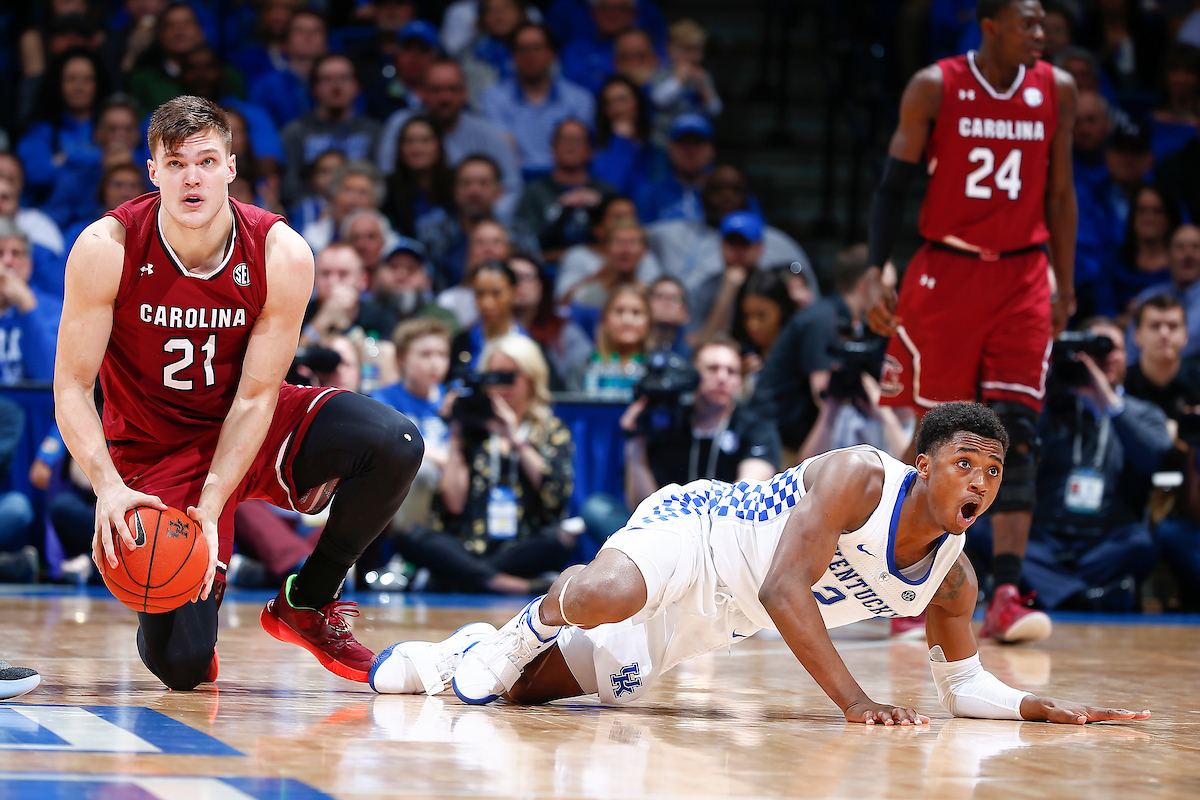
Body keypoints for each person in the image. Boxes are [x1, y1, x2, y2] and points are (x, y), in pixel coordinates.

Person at [378, 404, 1147, 731]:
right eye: (965, 464)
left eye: (994, 472)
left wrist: (1032, 708)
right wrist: (855, 701)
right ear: (924, 465)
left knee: (522, 699)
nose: (981, 483)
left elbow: (965, 685)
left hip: (721, 617)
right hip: (701, 531)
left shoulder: (954, 575)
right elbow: (786, 587)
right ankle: (522, 629)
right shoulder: (861, 478)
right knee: (607, 593)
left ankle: (442, 656)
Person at [54, 96, 425, 689]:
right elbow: (72, 386)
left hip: (252, 423)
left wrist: (214, 500)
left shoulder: (281, 253)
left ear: (231, 166)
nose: (192, 177)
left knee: (397, 442)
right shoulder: (108, 249)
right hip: (155, 448)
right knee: (180, 666)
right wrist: (107, 487)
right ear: (153, 173)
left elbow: (257, 396)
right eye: (175, 164)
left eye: (206, 160)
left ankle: (307, 600)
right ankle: (194, 631)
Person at [865, 0, 1078, 645]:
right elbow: (893, 185)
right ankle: (898, 575)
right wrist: (878, 267)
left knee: (1019, 430)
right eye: (1028, 24)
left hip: (1020, 274)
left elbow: (1061, 193)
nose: (1041, 35)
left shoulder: (1057, 90)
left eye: (1043, 24)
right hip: (947, 269)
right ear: (990, 27)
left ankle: (1008, 592)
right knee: (939, 432)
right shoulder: (936, 85)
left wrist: (1064, 282)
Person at [395, 333, 575, 594]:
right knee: (410, 535)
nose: (500, 386)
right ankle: (501, 583)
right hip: (467, 542)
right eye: (492, 377)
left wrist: (515, 438)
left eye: (508, 376)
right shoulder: (472, 427)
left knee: (560, 540)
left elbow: (555, 495)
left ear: (531, 378)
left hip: (521, 544)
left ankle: (466, 576)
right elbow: (454, 504)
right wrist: (455, 435)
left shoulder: (550, 430)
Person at [1009, 317, 1169, 610]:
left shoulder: (1144, 413)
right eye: (1096, 350)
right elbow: (1017, 446)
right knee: (990, 533)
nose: (1105, 358)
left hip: (1105, 540)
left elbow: (1151, 457)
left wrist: (1108, 400)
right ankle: (1084, 597)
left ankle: (1054, 591)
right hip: (1045, 537)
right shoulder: (1054, 408)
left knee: (1142, 543)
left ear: (1127, 356)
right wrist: (1056, 384)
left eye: (1113, 348)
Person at [623, 332, 778, 510]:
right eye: (712, 368)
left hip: (728, 527)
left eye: (732, 371)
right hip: (669, 528)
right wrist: (634, 440)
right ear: (691, 376)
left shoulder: (756, 426)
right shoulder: (670, 424)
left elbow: (746, 495)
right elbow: (642, 507)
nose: (722, 378)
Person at [753, 244, 877, 468]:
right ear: (865, 286)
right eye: (888, 284)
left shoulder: (839, 317)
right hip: (775, 445)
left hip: (792, 439)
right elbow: (823, 392)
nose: (894, 293)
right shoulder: (823, 320)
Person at [646, 164, 812, 311]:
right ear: (722, 245)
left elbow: (806, 289)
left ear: (759, 246)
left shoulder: (779, 243)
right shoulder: (706, 285)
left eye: (735, 189)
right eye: (717, 189)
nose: (726, 196)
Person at [378, 60, 523, 209]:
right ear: (422, 93)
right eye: (436, 90)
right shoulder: (402, 124)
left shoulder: (490, 134)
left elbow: (511, 187)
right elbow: (386, 178)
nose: (445, 98)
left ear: (465, 92)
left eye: (452, 89)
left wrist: (484, 222)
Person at [481, 22, 596, 181]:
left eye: (537, 48)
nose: (530, 55)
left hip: (566, 179)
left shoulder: (580, 98)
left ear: (552, 54)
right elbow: (502, 151)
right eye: (522, 49)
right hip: (515, 180)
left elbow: (581, 152)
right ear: (513, 56)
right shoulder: (493, 97)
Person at [373, 318, 453, 531]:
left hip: (450, 485)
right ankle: (408, 541)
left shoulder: (452, 401)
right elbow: (392, 447)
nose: (435, 363)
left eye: (442, 354)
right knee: (423, 471)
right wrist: (443, 459)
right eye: (425, 354)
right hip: (403, 485)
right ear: (400, 359)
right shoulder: (383, 399)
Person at [418, 155, 541, 291]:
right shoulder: (433, 234)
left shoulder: (519, 231)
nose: (474, 191)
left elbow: (535, 281)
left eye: (483, 183)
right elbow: (426, 287)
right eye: (466, 183)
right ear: (455, 191)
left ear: (498, 192)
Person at [280, 54, 382, 207]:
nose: (336, 86)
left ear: (356, 86)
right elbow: (290, 187)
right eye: (327, 79)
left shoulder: (375, 131)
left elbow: (381, 183)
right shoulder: (295, 132)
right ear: (314, 88)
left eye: (344, 78)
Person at [516, 118, 617, 264]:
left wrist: (599, 207)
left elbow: (619, 238)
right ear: (552, 148)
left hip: (600, 268)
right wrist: (564, 209)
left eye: (578, 139)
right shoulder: (534, 192)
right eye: (564, 139)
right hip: (546, 271)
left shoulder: (606, 192)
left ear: (590, 150)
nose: (571, 145)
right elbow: (528, 244)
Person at [16, 47, 111, 202]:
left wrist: (64, 160)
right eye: (71, 79)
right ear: (58, 84)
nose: (79, 87)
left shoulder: (115, 125)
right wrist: (98, 161)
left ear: (98, 84)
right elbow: (33, 175)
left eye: (88, 79)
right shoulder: (39, 131)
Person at [43, 96, 144, 235]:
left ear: (138, 135)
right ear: (97, 133)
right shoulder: (75, 178)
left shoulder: (154, 179)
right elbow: (50, 226)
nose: (120, 136)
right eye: (112, 129)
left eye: (128, 129)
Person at [556, 195, 662, 302]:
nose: (626, 250)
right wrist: (607, 271)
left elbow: (660, 301)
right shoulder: (577, 255)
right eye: (618, 217)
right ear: (598, 228)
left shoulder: (645, 258)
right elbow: (563, 304)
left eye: (630, 216)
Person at [1099, 184, 1179, 321]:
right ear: (1132, 217)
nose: (1148, 218)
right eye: (1142, 210)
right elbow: (1104, 309)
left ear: (1168, 217)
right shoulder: (1114, 262)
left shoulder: (1181, 263)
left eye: (1157, 211)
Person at [301, 242, 401, 349]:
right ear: (314, 279)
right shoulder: (299, 315)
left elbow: (380, 362)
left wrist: (347, 326)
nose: (333, 281)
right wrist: (322, 320)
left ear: (363, 280)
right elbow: (291, 360)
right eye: (325, 274)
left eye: (343, 274)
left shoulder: (382, 317)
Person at [1125, 224, 1200, 363]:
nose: (1188, 255)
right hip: (1146, 380)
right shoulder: (1148, 297)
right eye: (1180, 247)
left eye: (1196, 247)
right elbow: (1131, 353)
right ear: (1167, 254)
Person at [0, 221, 60, 386]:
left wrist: (26, 305)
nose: (7, 261)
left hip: (34, 408)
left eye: (16, 253)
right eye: (0, 253)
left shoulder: (53, 309)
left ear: (29, 265)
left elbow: (49, 375)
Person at [249, 9, 328, 130]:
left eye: (315, 31)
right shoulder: (267, 86)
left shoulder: (340, 81)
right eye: (299, 31)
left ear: (326, 42)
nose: (308, 36)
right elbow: (260, 128)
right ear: (286, 42)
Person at [649, 19, 722, 148]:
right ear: (670, 48)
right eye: (684, 49)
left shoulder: (703, 76)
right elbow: (659, 100)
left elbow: (715, 110)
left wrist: (703, 88)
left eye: (695, 50)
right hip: (663, 143)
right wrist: (678, 80)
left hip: (695, 143)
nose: (690, 56)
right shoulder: (662, 73)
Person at [591, 75, 668, 198]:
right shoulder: (600, 153)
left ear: (637, 102)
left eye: (622, 100)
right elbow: (610, 191)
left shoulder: (656, 145)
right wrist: (619, 142)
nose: (616, 109)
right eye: (609, 103)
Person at [634, 114, 714, 224]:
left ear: (711, 150)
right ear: (670, 149)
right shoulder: (649, 195)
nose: (690, 152)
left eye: (697, 144)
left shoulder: (724, 193)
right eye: (684, 144)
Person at [384, 115, 456, 237]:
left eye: (425, 140)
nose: (417, 149)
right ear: (400, 148)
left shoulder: (457, 183)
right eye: (409, 141)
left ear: (439, 144)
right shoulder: (387, 190)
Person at [450, 260, 526, 370]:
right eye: (479, 293)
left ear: (515, 293)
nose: (487, 304)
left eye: (496, 293)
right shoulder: (460, 345)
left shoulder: (530, 346)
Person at [564, 218, 653, 310]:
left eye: (633, 242)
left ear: (644, 251)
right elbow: (564, 306)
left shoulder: (651, 297)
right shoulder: (586, 295)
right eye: (618, 242)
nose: (626, 250)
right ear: (606, 249)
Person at [299, 160, 387, 253]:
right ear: (333, 196)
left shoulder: (392, 246)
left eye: (362, 193)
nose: (354, 200)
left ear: (375, 203)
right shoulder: (311, 239)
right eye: (348, 190)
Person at [578, 284, 650, 397]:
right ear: (605, 319)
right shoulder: (582, 369)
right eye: (619, 311)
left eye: (636, 312)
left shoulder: (660, 372)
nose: (627, 321)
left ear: (649, 321)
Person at [360, 16, 436, 123]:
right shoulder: (378, 98)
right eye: (408, 49)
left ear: (434, 56)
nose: (414, 58)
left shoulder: (444, 96)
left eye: (422, 50)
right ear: (396, 54)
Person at [732, 268, 794, 396]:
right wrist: (737, 377)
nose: (752, 325)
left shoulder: (798, 355)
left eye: (762, 315)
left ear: (782, 311)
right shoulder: (738, 356)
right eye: (746, 316)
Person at [459, 0, 527, 107]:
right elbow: (478, 103)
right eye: (491, 10)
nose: (499, 15)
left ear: (520, 13)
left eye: (505, 8)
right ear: (482, 18)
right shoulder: (472, 55)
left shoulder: (537, 46)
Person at [646, 275, 690, 357]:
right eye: (659, 296)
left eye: (675, 299)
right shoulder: (633, 350)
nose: (666, 303)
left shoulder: (692, 357)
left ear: (685, 312)